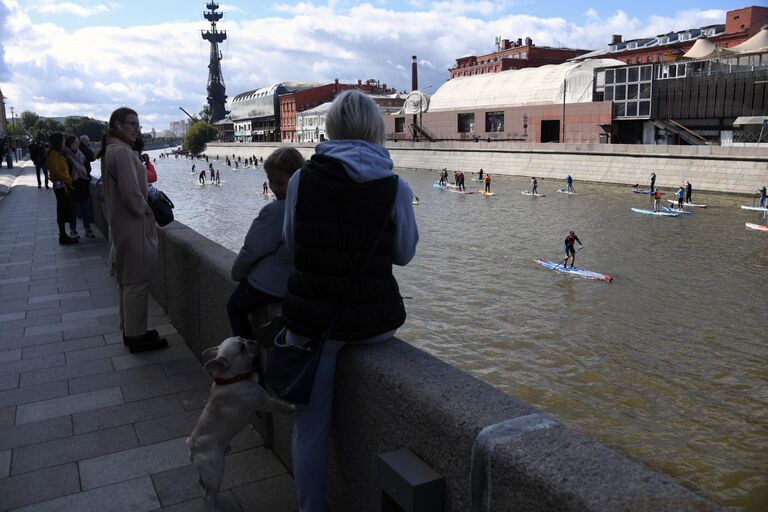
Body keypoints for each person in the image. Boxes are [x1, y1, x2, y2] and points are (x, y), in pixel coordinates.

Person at [281, 90, 418, 512]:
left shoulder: (302, 179)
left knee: (309, 427)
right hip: (373, 326)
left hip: (311, 325)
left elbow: (292, 244)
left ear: (331, 128)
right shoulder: (395, 185)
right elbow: (404, 253)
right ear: (377, 129)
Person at [97, 107, 167, 353]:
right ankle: (137, 336)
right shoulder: (123, 153)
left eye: (138, 123)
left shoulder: (111, 150)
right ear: (117, 125)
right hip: (133, 226)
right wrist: (148, 212)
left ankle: (130, 330)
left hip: (120, 225)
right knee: (137, 281)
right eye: (132, 124)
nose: (137, 128)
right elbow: (131, 194)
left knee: (127, 281)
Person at [227, 147, 305, 340]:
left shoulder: (274, 211)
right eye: (270, 181)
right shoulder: (309, 205)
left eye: (280, 182)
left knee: (234, 307)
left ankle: (247, 359)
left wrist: (236, 274)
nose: (273, 187)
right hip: (299, 286)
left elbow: (252, 249)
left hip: (272, 285)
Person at [46, 133, 78, 245]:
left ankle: (63, 235)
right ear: (58, 141)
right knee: (62, 210)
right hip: (61, 186)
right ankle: (63, 236)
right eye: (63, 139)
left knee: (62, 209)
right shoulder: (54, 154)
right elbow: (56, 171)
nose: (64, 141)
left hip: (61, 186)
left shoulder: (57, 153)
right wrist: (68, 179)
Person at [64, 135, 95, 239]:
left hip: (84, 184)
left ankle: (88, 229)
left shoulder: (81, 154)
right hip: (73, 185)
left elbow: (88, 167)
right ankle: (73, 230)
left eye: (77, 142)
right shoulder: (66, 156)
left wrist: (83, 174)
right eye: (75, 142)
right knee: (74, 210)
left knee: (86, 209)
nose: (77, 144)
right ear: (70, 143)